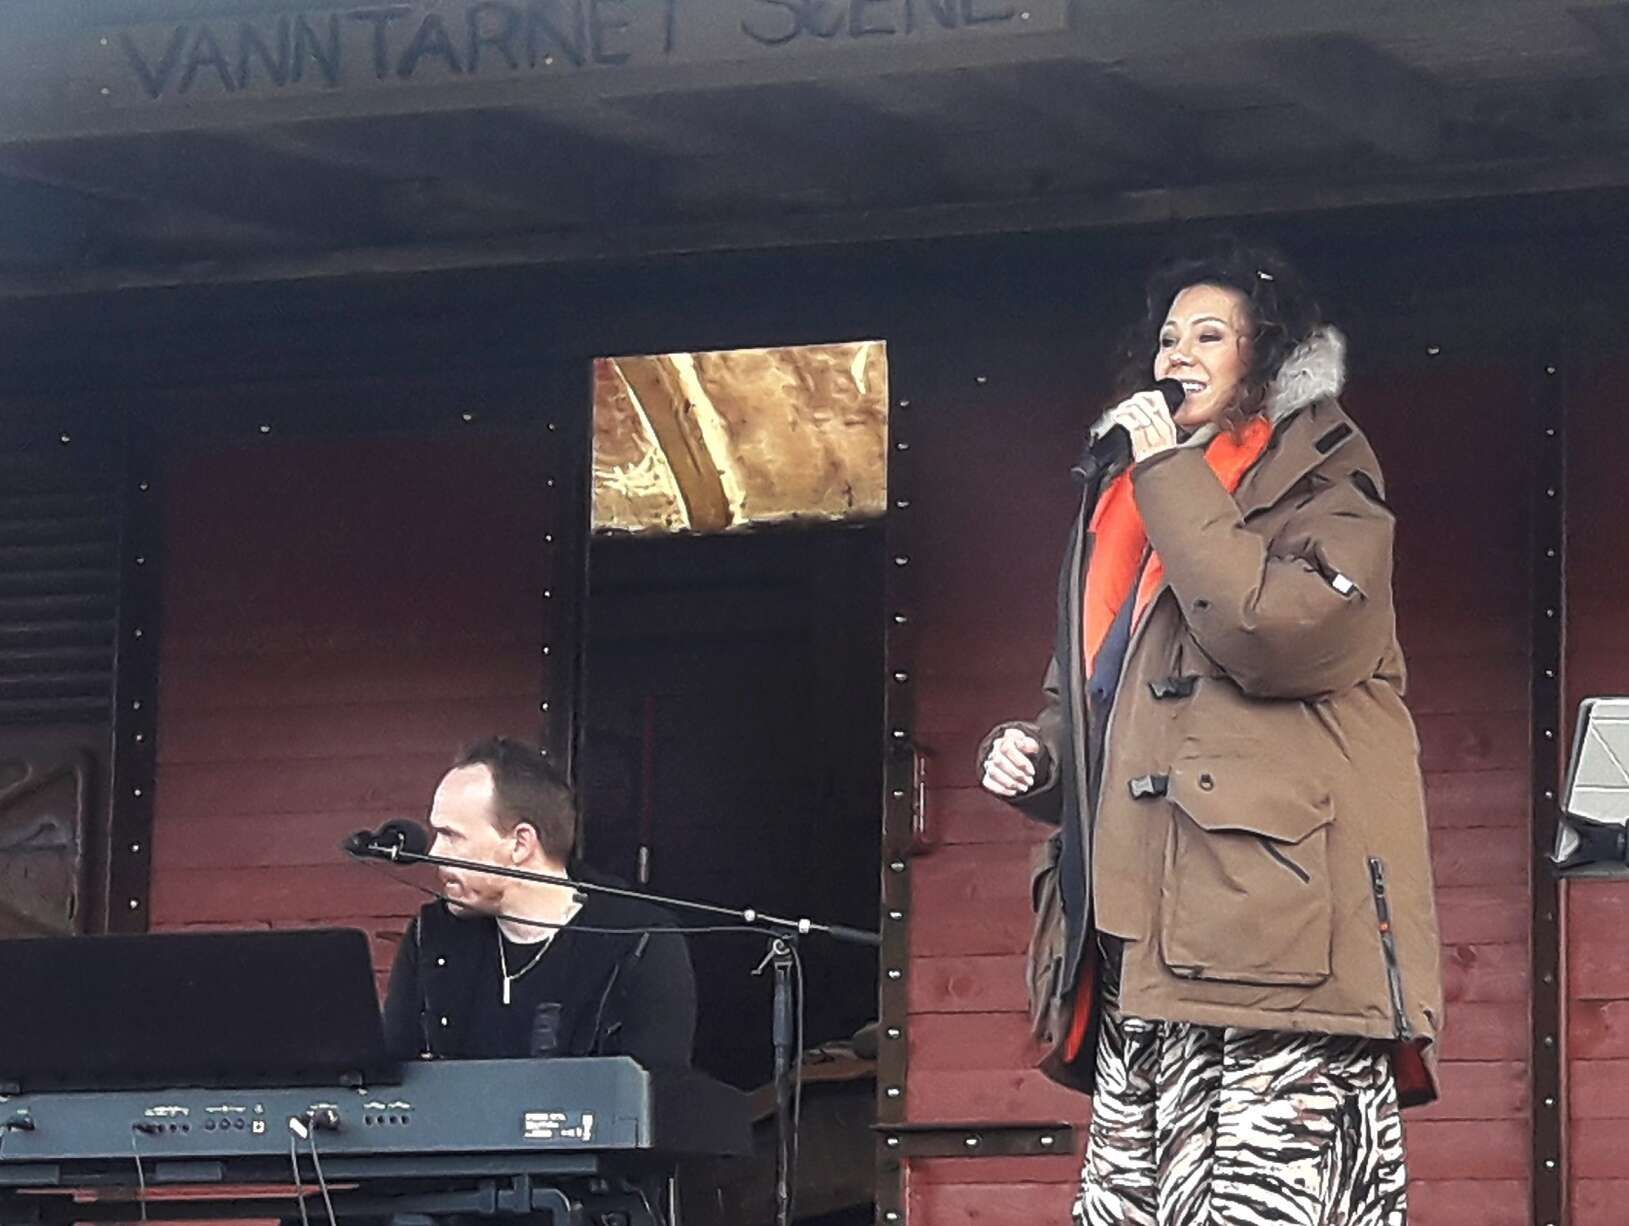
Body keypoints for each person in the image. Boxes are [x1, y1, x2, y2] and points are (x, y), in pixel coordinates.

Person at [977, 240, 1444, 1225]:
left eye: (1208, 335)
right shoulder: (1131, 499)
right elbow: (1094, 694)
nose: (1177, 355)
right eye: (1166, 338)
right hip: (1147, 942)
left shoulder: (1328, 481)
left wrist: (1163, 474)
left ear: (1264, 354)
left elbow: (1274, 636)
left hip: (1273, 939)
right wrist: (1041, 756)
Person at [383, 736, 696, 1070]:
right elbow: (393, 1073)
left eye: (451, 836)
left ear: (521, 843)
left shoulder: (641, 941)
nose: (434, 853)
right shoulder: (432, 935)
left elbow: (655, 1089)